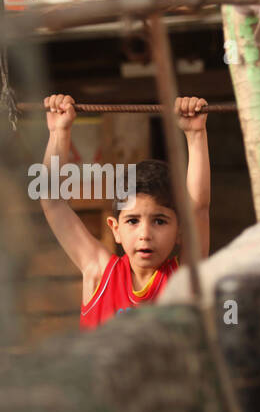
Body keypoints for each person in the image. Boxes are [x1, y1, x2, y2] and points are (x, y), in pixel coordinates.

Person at [39, 94, 210, 329]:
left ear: (181, 231)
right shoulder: (99, 273)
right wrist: (59, 132)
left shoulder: (184, 278)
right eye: (132, 221)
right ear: (115, 229)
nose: (145, 234)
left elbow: (198, 209)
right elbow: (52, 201)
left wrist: (195, 134)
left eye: (159, 221)